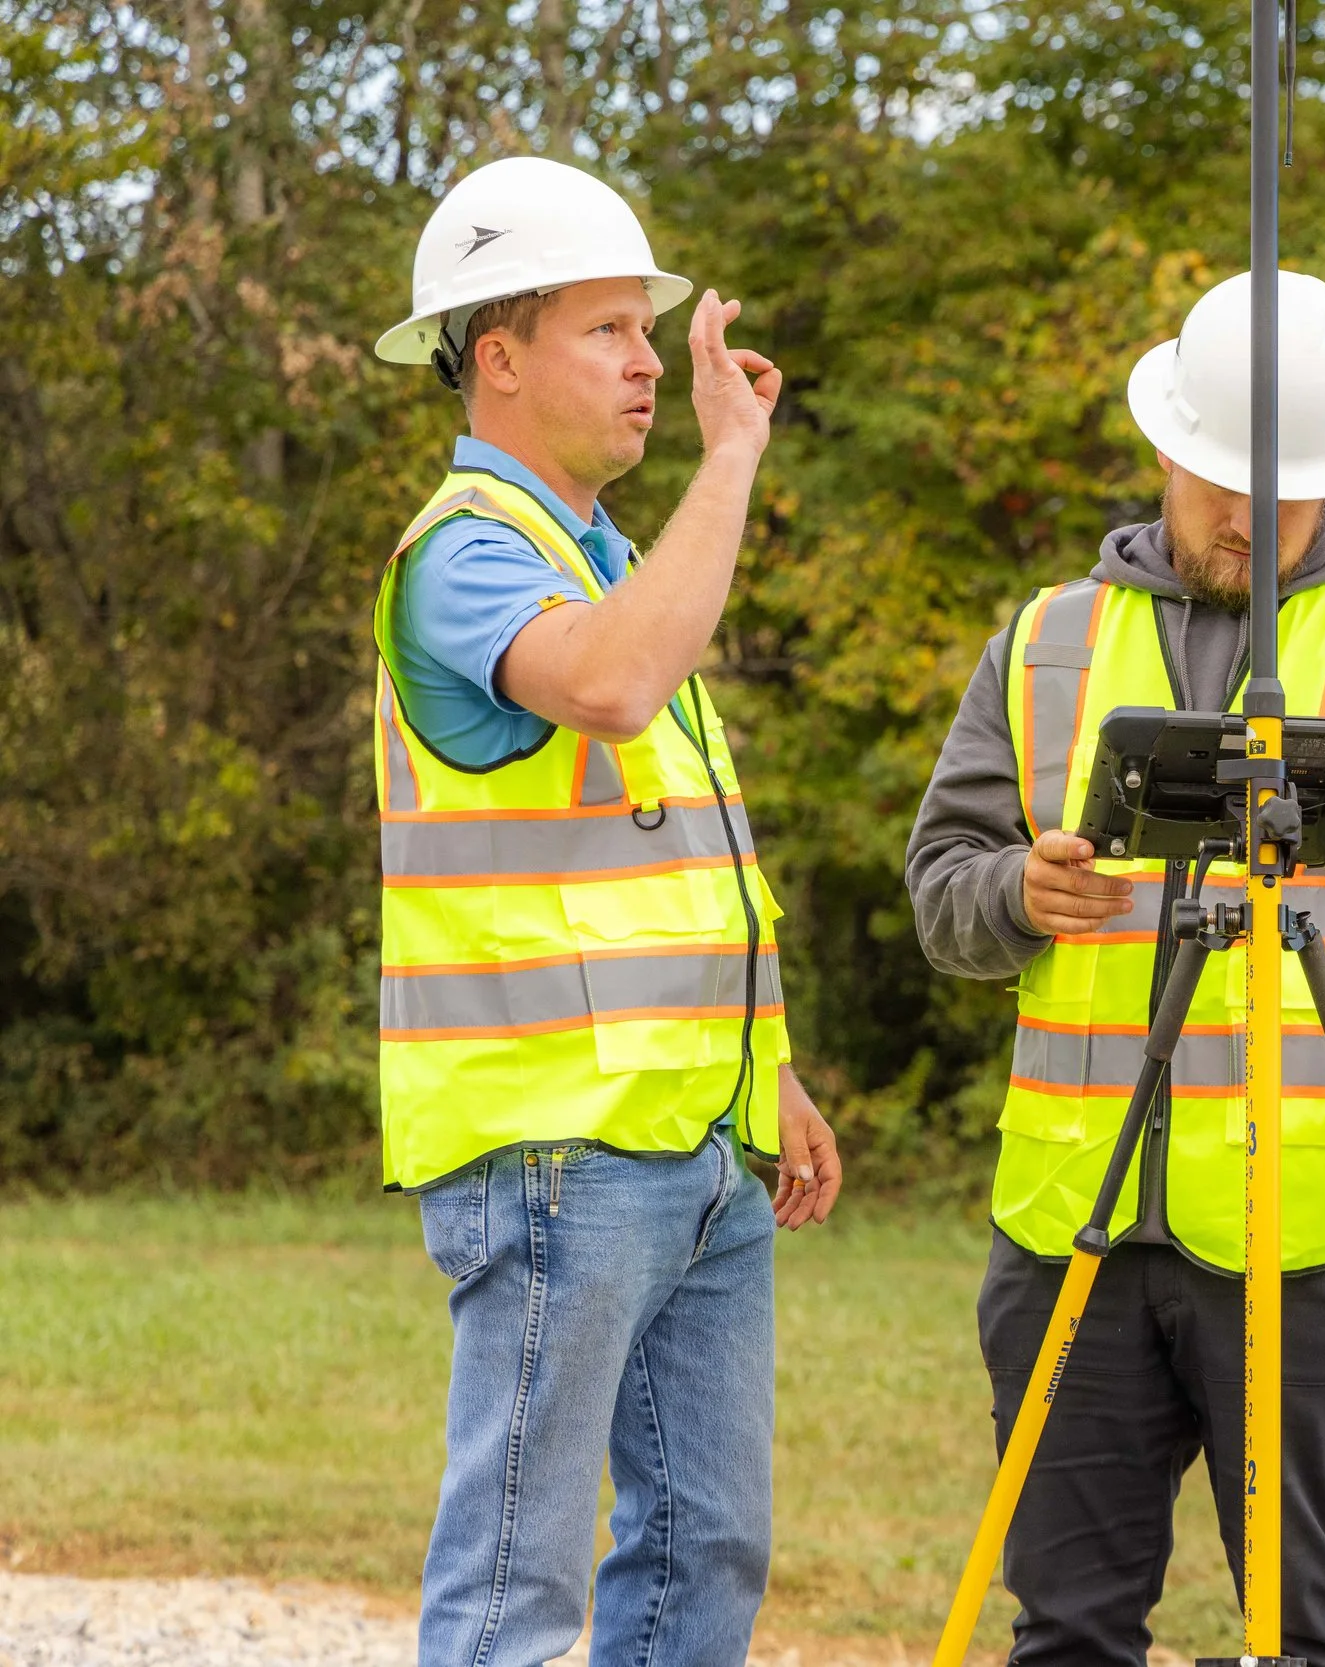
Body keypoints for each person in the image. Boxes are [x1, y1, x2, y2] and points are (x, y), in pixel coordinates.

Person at [905, 270, 1325, 1666]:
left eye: (1286, 492)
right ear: (1168, 447)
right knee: (1066, 1628)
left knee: (1312, 1629)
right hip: (1073, 1224)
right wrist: (1018, 888)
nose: (1250, 520)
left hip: (1306, 1234)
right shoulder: (1045, 641)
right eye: (1222, 484)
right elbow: (941, 896)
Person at [368, 155, 842, 1667]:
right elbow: (614, 686)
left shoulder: (608, 560)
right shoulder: (464, 556)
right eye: (609, 332)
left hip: (689, 1139)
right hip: (554, 1148)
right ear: (495, 358)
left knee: (705, 1549)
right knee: (517, 1586)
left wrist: (763, 1062)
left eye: (651, 331)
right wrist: (729, 460)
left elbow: (677, 849)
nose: (651, 363)